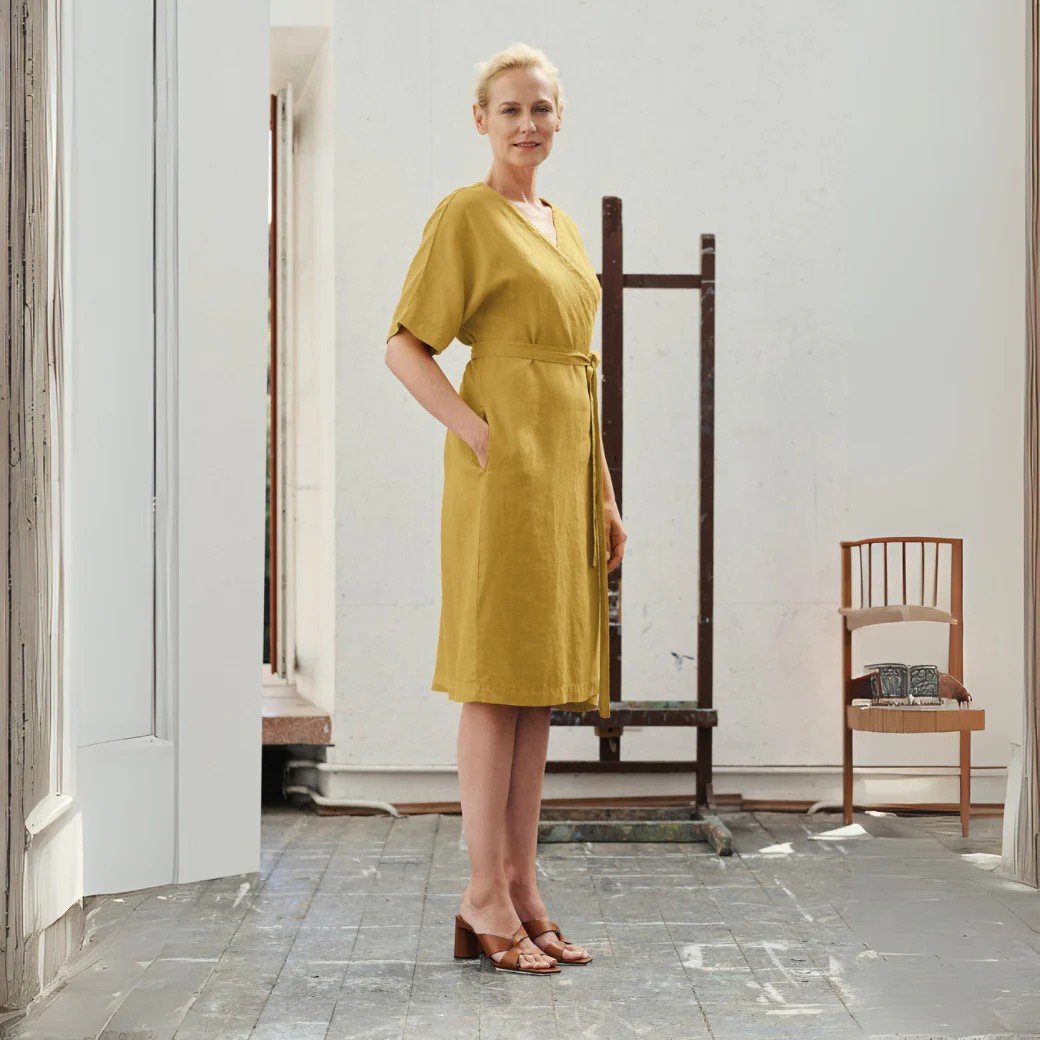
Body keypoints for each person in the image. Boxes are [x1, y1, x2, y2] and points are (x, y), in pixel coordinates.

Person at [384, 42, 627, 976]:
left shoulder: (561, 225)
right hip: (502, 468)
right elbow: (406, 345)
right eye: (511, 109)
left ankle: (521, 889)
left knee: (538, 685)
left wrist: (601, 492)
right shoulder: (466, 215)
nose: (528, 124)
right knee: (495, 680)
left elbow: (581, 372)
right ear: (480, 120)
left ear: (560, 120)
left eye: (542, 110)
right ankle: (481, 893)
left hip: (563, 471)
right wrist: (476, 431)